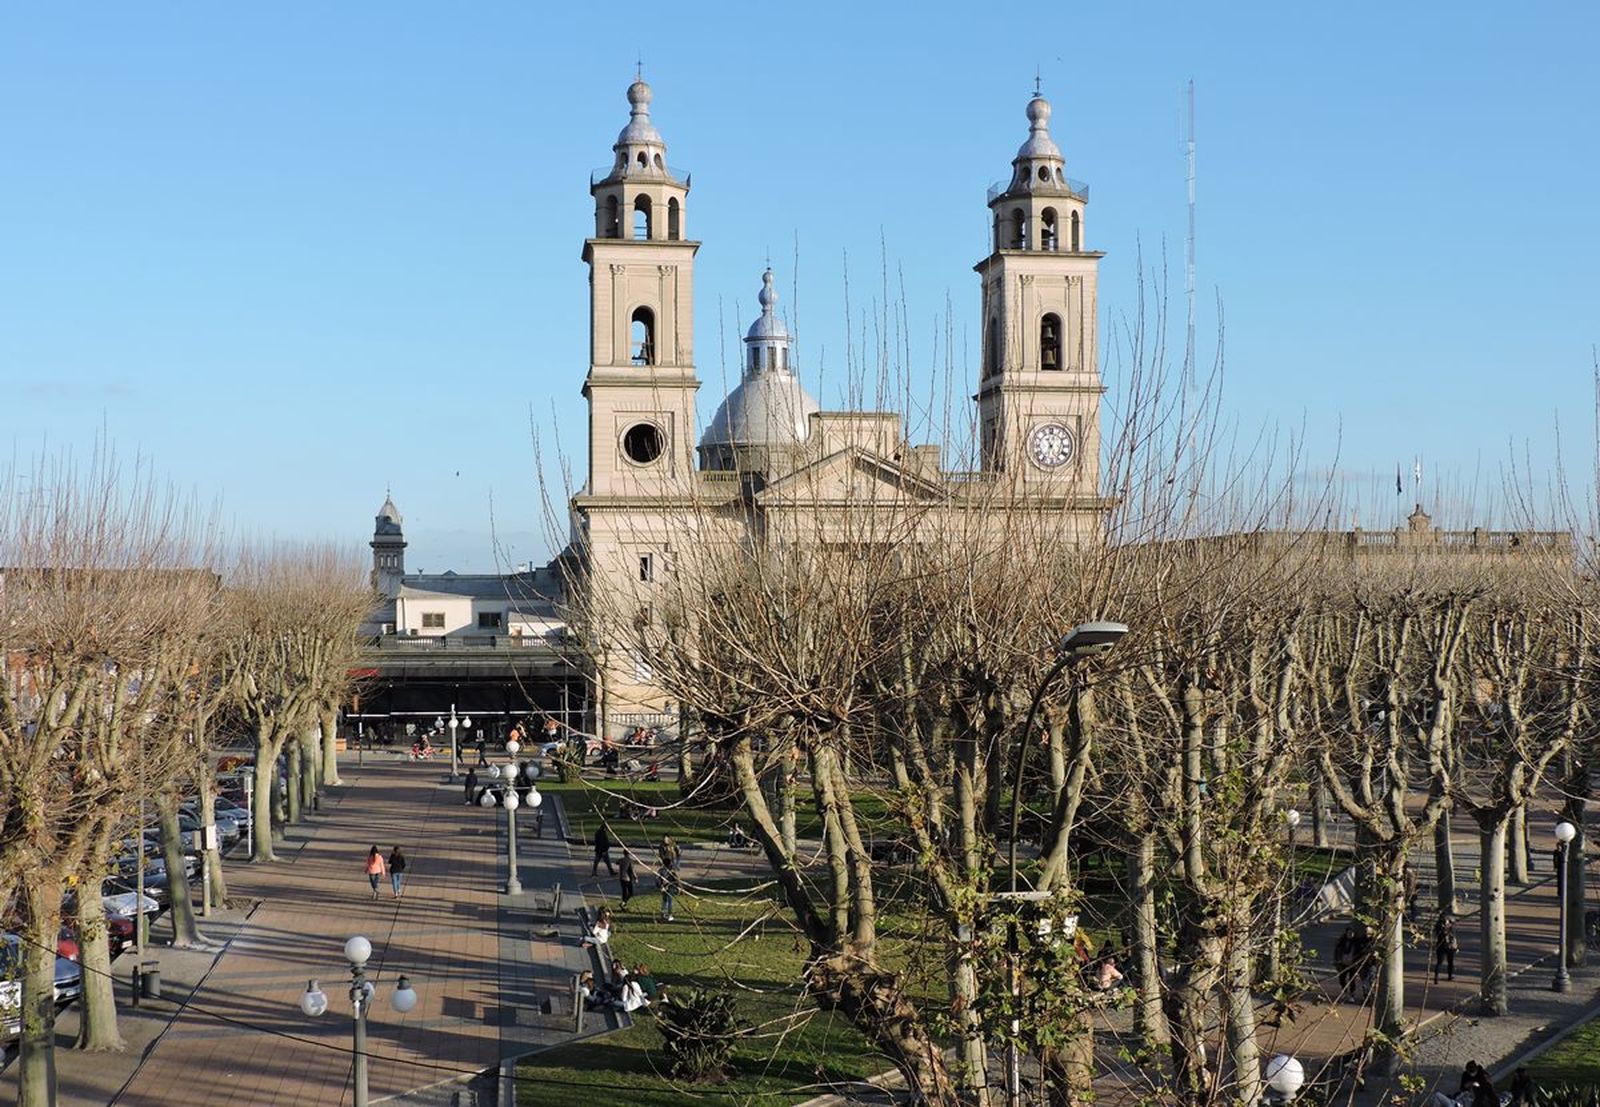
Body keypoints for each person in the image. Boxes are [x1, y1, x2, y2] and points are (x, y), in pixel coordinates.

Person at [1433, 916, 1458, 982]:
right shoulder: (1450, 928)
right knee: (1450, 962)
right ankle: (1449, 976)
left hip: (1440, 946)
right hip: (1449, 947)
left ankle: (1436, 977)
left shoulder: (1438, 927)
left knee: (1439, 962)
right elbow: (1453, 937)